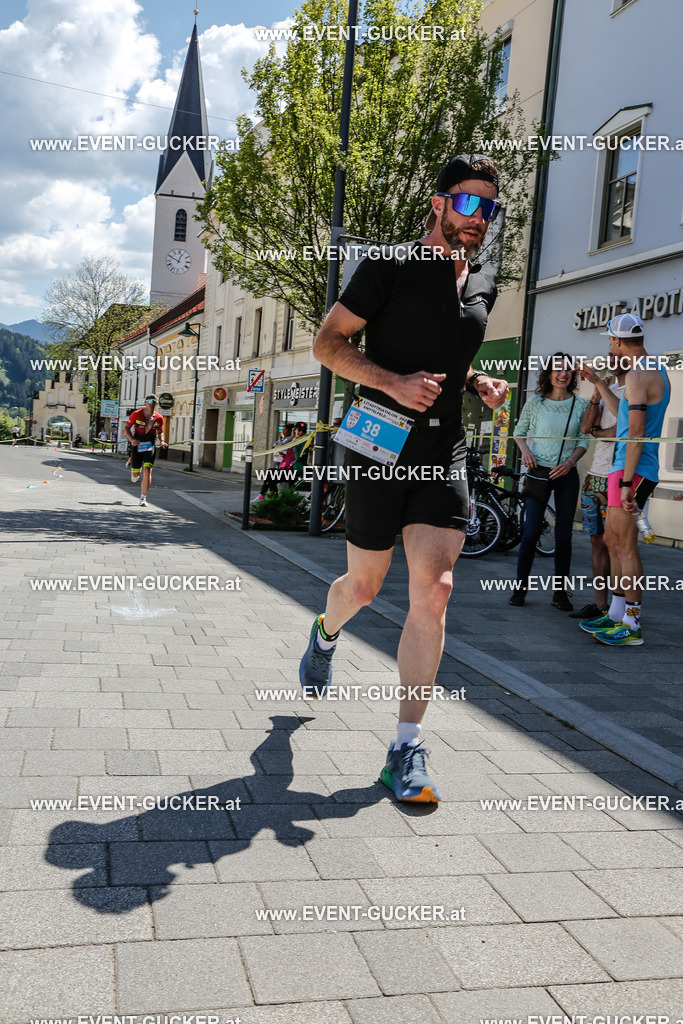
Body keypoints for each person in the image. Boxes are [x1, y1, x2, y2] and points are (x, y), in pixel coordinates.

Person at [298, 155, 508, 803]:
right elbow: (328, 344)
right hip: (376, 441)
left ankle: (404, 747)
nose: (479, 219)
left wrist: (476, 381)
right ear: (439, 203)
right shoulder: (389, 265)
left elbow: (446, 351)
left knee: (436, 588)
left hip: (442, 447)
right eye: (468, 204)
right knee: (363, 586)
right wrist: (391, 383)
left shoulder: (484, 280)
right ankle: (324, 633)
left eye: (490, 209)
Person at [579, 313, 670, 646]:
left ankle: (631, 624)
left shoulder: (637, 373)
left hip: (634, 469)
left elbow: (636, 432)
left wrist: (627, 482)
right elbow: (624, 417)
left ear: (616, 341)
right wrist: (600, 385)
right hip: (627, 467)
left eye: (609, 341)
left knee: (625, 546)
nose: (609, 347)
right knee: (612, 541)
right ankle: (617, 614)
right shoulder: (648, 370)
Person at [511, 354, 590, 610]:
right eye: (557, 369)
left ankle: (560, 594)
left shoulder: (581, 404)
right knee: (531, 531)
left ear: (572, 375)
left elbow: (583, 441)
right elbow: (519, 432)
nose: (563, 374)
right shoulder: (535, 403)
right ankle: (520, 589)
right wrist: (525, 450)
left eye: (567, 370)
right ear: (548, 374)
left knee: (563, 535)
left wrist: (569, 463)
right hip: (538, 472)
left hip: (566, 474)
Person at [569, 360, 627, 620]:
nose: (613, 361)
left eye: (618, 355)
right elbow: (585, 428)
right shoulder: (606, 389)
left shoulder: (633, 390)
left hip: (620, 474)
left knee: (616, 543)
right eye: (611, 356)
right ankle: (599, 603)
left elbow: (624, 428)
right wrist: (595, 393)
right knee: (596, 541)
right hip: (595, 476)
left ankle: (620, 607)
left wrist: (601, 433)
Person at [123, 394, 167, 507]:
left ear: (156, 404)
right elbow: (126, 428)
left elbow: (160, 431)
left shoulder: (159, 418)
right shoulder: (136, 414)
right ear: (145, 403)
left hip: (149, 445)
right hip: (137, 444)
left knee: (147, 470)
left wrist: (162, 441)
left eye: (153, 402)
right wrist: (132, 439)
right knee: (136, 474)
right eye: (148, 401)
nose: (151, 403)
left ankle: (143, 498)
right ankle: (135, 473)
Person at [256, 423, 293, 500]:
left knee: (272, 476)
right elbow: (274, 445)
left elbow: (281, 445)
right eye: (282, 429)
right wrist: (279, 444)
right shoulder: (283, 439)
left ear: (289, 431)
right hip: (281, 462)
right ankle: (267, 496)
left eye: (285, 429)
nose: (283, 431)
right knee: (271, 477)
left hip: (286, 464)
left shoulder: (290, 439)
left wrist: (279, 442)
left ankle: (264, 495)